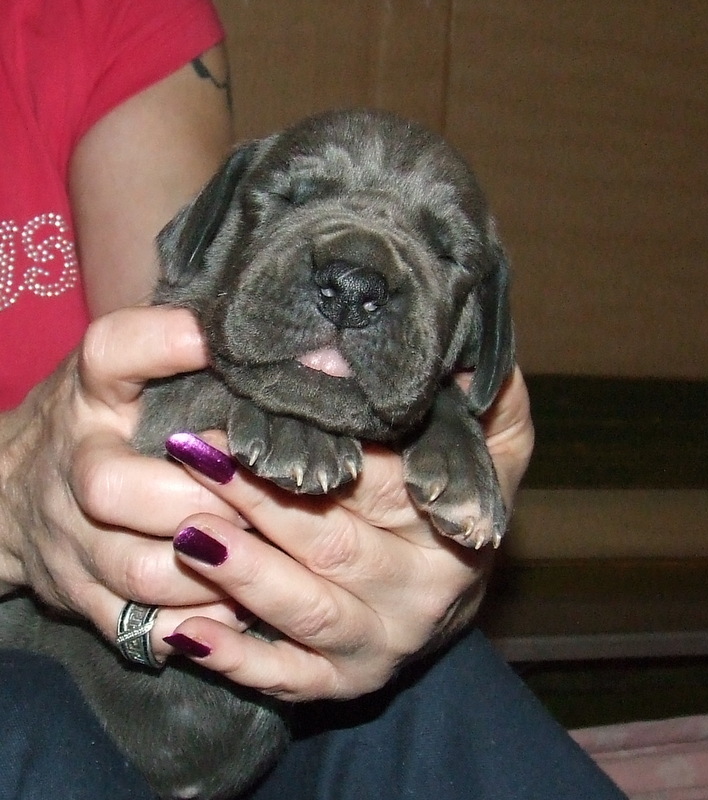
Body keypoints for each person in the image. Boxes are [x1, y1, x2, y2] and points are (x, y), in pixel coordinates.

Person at [0, 2, 626, 798]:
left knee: (442, 690)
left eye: (443, 255)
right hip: (32, 661)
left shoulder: (111, 14)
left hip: (267, 712)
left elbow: (161, 330)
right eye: (295, 200)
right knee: (30, 719)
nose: (355, 285)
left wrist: (434, 483)